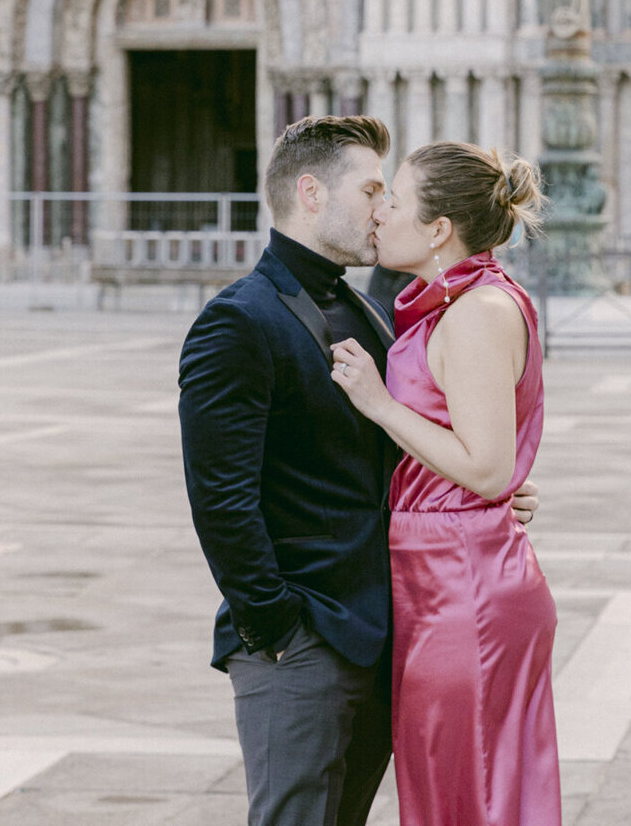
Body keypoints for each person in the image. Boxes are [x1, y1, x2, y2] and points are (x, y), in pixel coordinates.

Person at [178, 116, 538, 826]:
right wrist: (275, 629)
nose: (383, 207)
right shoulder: (238, 322)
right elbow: (220, 499)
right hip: (301, 643)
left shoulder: (368, 311)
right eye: (372, 188)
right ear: (310, 193)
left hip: (383, 633)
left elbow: (392, 448)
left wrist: (475, 484)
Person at [331, 142, 560, 826]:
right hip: (453, 573)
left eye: (394, 201)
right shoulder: (463, 303)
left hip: (465, 589)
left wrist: (379, 404)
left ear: (438, 230)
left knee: (468, 796)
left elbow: (487, 468)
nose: (379, 214)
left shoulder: (476, 313)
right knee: (462, 791)